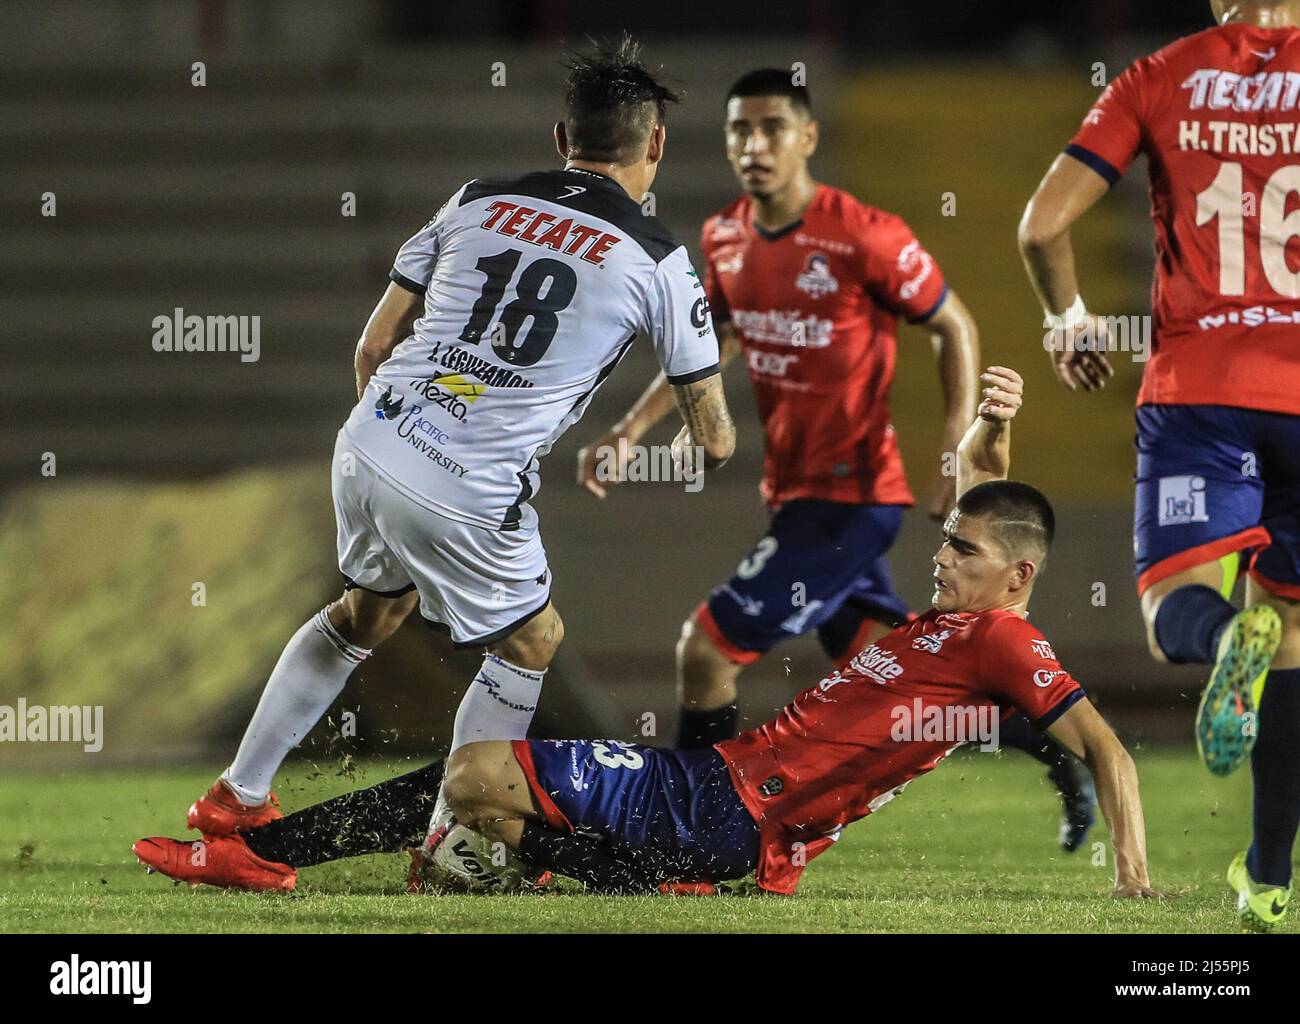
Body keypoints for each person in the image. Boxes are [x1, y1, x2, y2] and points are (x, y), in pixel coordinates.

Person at [136, 368, 1162, 900]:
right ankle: (595, 863)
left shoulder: (1002, 645)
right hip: (723, 798)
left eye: (962, 550)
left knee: (473, 775)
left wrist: (1131, 877)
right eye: (945, 541)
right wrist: (995, 420)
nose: (940, 555)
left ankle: (260, 854)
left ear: (1015, 578)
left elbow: (1108, 745)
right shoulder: (958, 614)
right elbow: (996, 509)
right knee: (491, 816)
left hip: (730, 804)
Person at [179, 36, 736, 848]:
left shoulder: (475, 198)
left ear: (561, 139)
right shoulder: (658, 259)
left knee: (364, 612)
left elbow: (373, 346)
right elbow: (717, 441)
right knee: (531, 640)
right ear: (656, 144)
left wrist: (406, 444)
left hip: (371, 439)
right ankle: (453, 836)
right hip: (467, 484)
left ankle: (236, 796)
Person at [577, 68, 1097, 851]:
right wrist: (632, 428)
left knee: (707, 652)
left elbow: (952, 324)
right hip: (796, 497)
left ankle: (674, 835)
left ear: (807, 137)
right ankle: (1057, 747)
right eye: (738, 131)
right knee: (898, 680)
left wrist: (954, 451)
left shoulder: (862, 233)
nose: (754, 145)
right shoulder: (723, 238)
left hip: (853, 500)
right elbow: (706, 344)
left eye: (771, 128)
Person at [1018, 0, 1300, 931]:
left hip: (1200, 388)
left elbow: (1039, 226)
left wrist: (1068, 321)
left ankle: (1221, 640)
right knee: (1292, 632)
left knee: (1170, 607)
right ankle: (1267, 878)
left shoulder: (1157, 75)